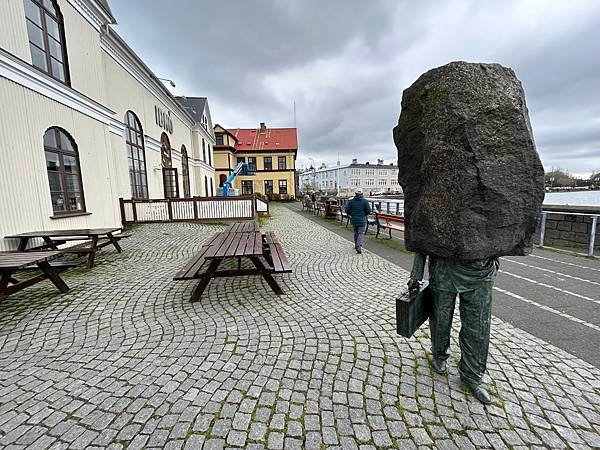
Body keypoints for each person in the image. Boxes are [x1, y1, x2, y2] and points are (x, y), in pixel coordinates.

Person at [408, 253, 499, 404]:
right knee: (440, 319)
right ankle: (439, 355)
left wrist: (495, 259)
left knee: (478, 326)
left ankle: (472, 374)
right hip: (444, 267)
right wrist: (416, 273)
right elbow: (421, 232)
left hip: (481, 270)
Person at [344, 187, 372, 253]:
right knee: (361, 233)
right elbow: (369, 211)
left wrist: (351, 214)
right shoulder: (365, 201)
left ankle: (356, 245)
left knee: (356, 233)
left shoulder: (351, 201)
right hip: (362, 220)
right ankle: (358, 245)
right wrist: (364, 213)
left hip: (354, 219)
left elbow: (347, 210)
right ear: (362, 194)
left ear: (355, 193)